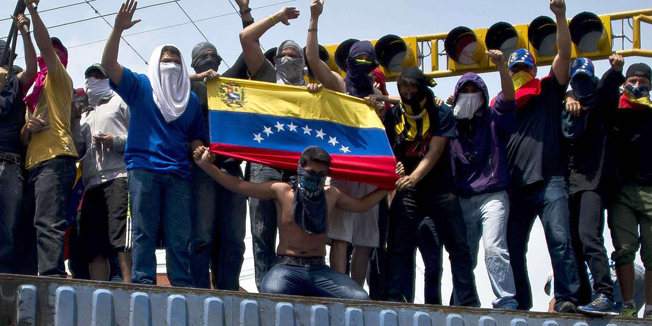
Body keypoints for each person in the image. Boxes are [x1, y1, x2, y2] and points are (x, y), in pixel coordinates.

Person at [194, 145, 389, 299]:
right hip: (287, 267)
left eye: (322, 175)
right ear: (300, 168)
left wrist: (388, 185)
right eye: (312, 172)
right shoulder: (282, 191)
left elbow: (362, 205)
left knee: (359, 297)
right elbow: (238, 185)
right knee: (270, 292)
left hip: (319, 269)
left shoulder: (331, 195)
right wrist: (207, 166)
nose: (316, 179)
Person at [101, 0, 205, 287]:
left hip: (179, 174)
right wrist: (117, 30)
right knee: (143, 231)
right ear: (154, 63)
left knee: (179, 234)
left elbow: (194, 135)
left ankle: (181, 285)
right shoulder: (140, 85)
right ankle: (144, 281)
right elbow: (108, 65)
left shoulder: (190, 99)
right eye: (165, 61)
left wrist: (198, 149)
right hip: (143, 169)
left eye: (175, 62)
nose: (170, 66)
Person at [376, 67, 479, 306]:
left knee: (458, 247)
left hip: (441, 190)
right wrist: (398, 168)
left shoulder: (441, 112)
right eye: (403, 88)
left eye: (413, 87)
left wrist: (414, 176)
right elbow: (391, 151)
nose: (409, 92)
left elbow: (436, 150)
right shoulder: (394, 116)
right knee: (399, 245)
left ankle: (467, 301)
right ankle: (395, 298)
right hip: (409, 191)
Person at [504, 0, 581, 313]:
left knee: (560, 243)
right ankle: (521, 305)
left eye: (526, 68)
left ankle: (567, 299)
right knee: (512, 248)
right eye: (515, 69)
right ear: (507, 73)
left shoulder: (548, 90)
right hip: (515, 187)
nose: (522, 73)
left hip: (550, 180)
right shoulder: (502, 104)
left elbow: (564, 54)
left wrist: (560, 17)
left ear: (534, 69)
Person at [306, 0, 384, 287]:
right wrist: (314, 19)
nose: (362, 69)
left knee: (365, 241)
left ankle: (357, 295)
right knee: (340, 238)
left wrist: (379, 111)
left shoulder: (376, 93)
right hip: (343, 167)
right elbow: (313, 59)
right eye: (358, 62)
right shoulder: (339, 84)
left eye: (369, 63)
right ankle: (340, 290)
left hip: (370, 170)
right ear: (349, 63)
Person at [187, 0, 253, 290]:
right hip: (200, 167)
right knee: (202, 236)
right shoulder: (186, 86)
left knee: (234, 238)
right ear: (194, 65)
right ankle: (201, 291)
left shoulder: (230, 83)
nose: (209, 60)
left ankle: (229, 290)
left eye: (213, 57)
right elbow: (162, 78)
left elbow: (251, 49)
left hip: (230, 166)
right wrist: (198, 78)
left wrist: (245, 12)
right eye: (203, 58)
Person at [238, 4, 305, 289]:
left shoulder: (312, 89)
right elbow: (247, 39)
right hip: (263, 164)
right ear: (275, 60)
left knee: (295, 232)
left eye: (294, 56)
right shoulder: (266, 75)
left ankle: (291, 291)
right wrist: (278, 17)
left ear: (303, 62)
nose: (288, 60)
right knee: (262, 232)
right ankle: (265, 295)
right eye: (284, 56)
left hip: (297, 169)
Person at [448, 50, 518, 309]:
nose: (469, 95)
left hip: (493, 196)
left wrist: (501, 66)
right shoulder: (450, 124)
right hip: (463, 199)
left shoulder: (492, 117)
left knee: (494, 249)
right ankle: (462, 302)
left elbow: (509, 98)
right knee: (464, 257)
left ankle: (506, 301)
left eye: (473, 90)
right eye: (463, 91)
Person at [560, 55, 625, 315]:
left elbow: (607, 91)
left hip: (593, 181)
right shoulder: (564, 110)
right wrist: (567, 97)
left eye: (586, 80)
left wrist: (616, 70)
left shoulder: (600, 105)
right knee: (573, 242)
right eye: (577, 81)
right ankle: (583, 297)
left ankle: (605, 294)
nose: (581, 85)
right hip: (569, 184)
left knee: (589, 237)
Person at [19, 0, 78, 278]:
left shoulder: (59, 78)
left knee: (48, 223)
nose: (47, 58)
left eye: (53, 54)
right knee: (34, 225)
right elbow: (22, 137)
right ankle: (38, 276)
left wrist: (32, 14)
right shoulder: (33, 94)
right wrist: (28, 129)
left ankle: (52, 278)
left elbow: (44, 49)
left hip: (56, 158)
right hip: (35, 163)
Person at [73, 64, 132, 283]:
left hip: (119, 177)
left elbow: (138, 137)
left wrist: (114, 141)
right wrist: (73, 121)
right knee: (94, 246)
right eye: (88, 76)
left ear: (107, 79)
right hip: (91, 184)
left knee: (122, 240)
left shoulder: (121, 102)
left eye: (98, 75)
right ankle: (100, 291)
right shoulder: (84, 114)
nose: (92, 79)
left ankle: (128, 290)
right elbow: (77, 150)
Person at [609, 61, 652, 318]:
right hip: (621, 190)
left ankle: (650, 310)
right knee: (624, 250)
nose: (637, 86)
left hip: (650, 189)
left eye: (643, 83)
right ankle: (627, 306)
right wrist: (570, 94)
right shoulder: (614, 109)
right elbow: (597, 93)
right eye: (632, 82)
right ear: (624, 85)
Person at [0, 13, 35, 274]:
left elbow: (32, 70)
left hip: (11, 163)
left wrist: (25, 32)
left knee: (8, 227)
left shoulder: (14, 83)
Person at [545, 262, 646, 315]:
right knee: (623, 317)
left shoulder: (557, 273)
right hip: (639, 277)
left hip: (617, 274)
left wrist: (551, 309)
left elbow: (556, 298)